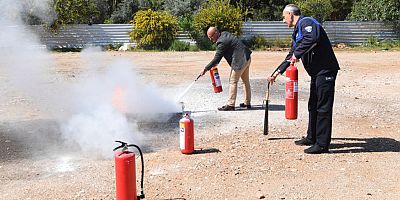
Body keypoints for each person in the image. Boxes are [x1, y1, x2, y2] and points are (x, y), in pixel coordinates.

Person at [267, 4, 340, 154]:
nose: (283, 21)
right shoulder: (297, 32)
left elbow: (313, 38)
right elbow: (291, 55)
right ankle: (312, 137)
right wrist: (276, 72)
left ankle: (322, 144)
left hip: (325, 71)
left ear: (290, 14)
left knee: (323, 107)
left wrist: (297, 54)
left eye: (283, 17)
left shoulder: (307, 22)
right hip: (316, 73)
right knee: (313, 105)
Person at [199, 27, 252, 111]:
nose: (211, 39)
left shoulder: (221, 42)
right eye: (209, 37)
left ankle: (231, 105)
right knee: (245, 81)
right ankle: (247, 103)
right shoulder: (224, 34)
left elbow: (216, 59)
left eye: (211, 36)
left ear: (216, 32)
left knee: (233, 81)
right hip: (247, 57)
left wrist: (205, 69)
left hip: (240, 61)